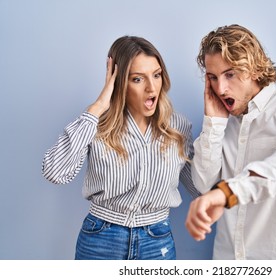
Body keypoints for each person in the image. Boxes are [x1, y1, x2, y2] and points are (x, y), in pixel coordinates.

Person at [42, 36, 199, 260]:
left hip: (157, 243)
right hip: (100, 240)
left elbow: (202, 189)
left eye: (156, 75)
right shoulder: (96, 126)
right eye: (137, 79)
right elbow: (55, 173)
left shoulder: (178, 127)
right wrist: (97, 107)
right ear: (118, 83)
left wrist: (215, 124)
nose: (151, 87)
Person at [185, 24, 276, 260]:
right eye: (213, 78)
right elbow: (203, 184)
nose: (220, 88)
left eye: (230, 74)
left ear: (255, 69)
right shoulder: (222, 124)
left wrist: (228, 192)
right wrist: (213, 123)